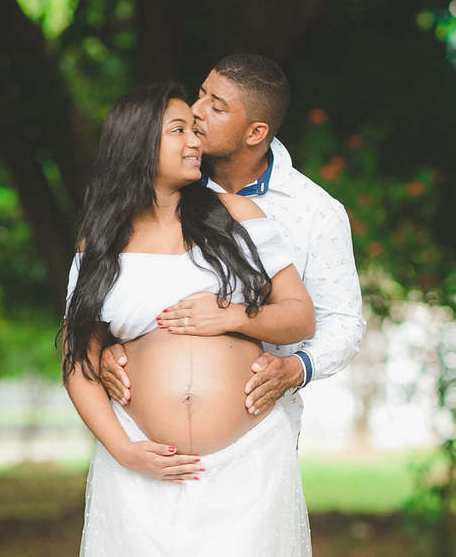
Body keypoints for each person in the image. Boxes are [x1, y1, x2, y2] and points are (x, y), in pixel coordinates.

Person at [62, 83, 315, 556]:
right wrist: (124, 450)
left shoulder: (238, 216)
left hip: (249, 463)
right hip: (142, 467)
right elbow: (78, 361)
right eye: (179, 130)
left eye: (196, 131)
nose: (196, 141)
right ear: (137, 142)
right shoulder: (100, 244)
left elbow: (300, 317)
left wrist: (232, 315)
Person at [97, 54, 365, 432]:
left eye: (217, 107)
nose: (196, 110)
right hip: (140, 432)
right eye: (201, 94)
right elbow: (116, 292)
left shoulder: (314, 211)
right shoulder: (166, 186)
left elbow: (342, 322)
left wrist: (296, 368)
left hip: (259, 428)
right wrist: (105, 350)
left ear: (255, 133)